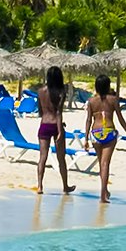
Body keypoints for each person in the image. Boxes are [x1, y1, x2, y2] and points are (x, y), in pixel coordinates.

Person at [35, 64, 75, 196]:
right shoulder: (61, 92)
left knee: (42, 157)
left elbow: (40, 111)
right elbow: (58, 113)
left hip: (44, 125)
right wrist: (60, 130)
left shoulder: (40, 91)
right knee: (61, 158)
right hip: (55, 125)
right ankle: (65, 186)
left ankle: (40, 186)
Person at [86, 71, 121, 205]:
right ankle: (102, 195)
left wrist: (85, 139)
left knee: (101, 163)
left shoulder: (91, 101)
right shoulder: (113, 100)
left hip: (95, 133)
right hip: (109, 132)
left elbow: (88, 120)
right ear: (108, 86)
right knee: (105, 164)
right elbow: (120, 117)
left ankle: (105, 191)